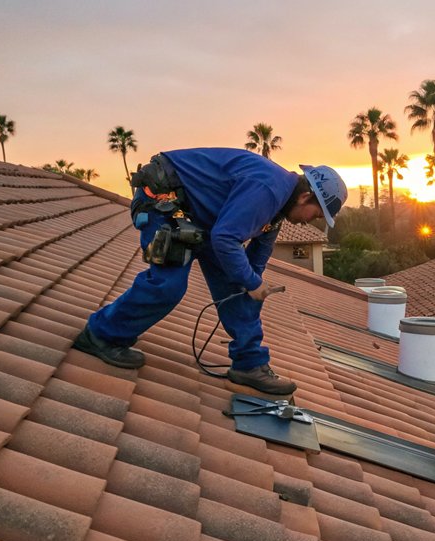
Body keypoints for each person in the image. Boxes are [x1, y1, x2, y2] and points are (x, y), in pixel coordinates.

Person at [74, 147, 347, 396]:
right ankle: (100, 335)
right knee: (168, 285)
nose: (310, 221)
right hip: (164, 201)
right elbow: (225, 239)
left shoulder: (279, 207)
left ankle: (249, 365)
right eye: (316, 214)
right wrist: (250, 281)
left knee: (242, 288)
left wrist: (251, 283)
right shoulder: (268, 189)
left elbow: (257, 254)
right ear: (305, 196)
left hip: (205, 221)